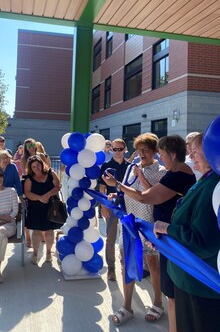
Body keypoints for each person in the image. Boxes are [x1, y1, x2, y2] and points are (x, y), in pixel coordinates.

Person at [104, 135, 196, 331]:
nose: (142, 154)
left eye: (147, 150)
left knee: (154, 265)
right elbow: (130, 192)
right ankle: (127, 306)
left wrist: (123, 183)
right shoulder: (131, 168)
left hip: (152, 225)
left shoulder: (165, 172)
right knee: (126, 260)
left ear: (157, 152)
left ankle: (157, 303)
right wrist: (117, 194)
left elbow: (150, 197)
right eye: (139, 150)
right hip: (130, 223)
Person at [154, 133, 220, 332]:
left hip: (199, 286)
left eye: (195, 152)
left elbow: (201, 241)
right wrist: (164, 239)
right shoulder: (205, 181)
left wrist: (167, 228)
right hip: (187, 279)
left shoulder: (213, 187)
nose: (190, 156)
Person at [98, 138, 129, 281]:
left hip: (128, 206)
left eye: (120, 149)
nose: (117, 152)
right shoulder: (106, 165)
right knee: (110, 238)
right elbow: (102, 188)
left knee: (128, 237)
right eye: (114, 149)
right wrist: (103, 207)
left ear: (125, 149)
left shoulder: (130, 166)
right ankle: (111, 267)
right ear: (111, 150)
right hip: (111, 205)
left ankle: (127, 264)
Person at [24, 155, 60, 264]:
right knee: (36, 231)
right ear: (30, 168)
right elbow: (28, 193)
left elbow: (58, 186)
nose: (36, 168)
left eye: (38, 165)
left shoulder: (51, 173)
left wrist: (48, 195)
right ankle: (35, 253)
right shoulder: (29, 178)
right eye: (33, 166)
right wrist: (40, 198)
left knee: (49, 231)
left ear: (41, 164)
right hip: (36, 207)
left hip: (51, 206)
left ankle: (49, 253)